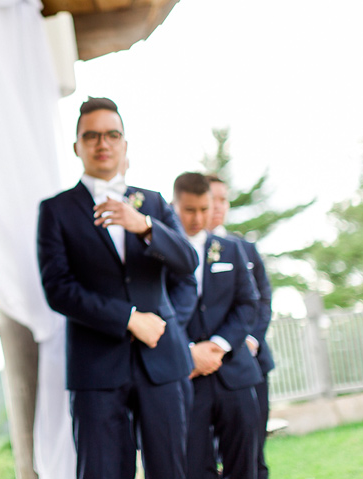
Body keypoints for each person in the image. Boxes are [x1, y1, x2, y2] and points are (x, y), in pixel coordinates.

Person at [37, 97, 198, 479]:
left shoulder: (153, 203)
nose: (102, 143)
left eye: (112, 134)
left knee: (171, 471)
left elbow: (188, 263)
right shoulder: (56, 210)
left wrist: (144, 226)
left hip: (163, 362)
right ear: (77, 146)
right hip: (96, 368)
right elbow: (58, 289)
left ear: (125, 144)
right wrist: (128, 318)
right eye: (91, 136)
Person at [172, 172, 262, 479]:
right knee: (194, 467)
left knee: (245, 466)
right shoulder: (159, 252)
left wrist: (218, 345)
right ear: (175, 206)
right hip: (186, 379)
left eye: (204, 209)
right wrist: (187, 352)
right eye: (189, 210)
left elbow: (248, 303)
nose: (198, 218)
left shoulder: (230, 249)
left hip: (234, 374)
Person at [207, 174, 275, 479]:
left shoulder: (245, 248)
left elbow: (262, 300)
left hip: (249, 364)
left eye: (224, 199)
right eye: (212, 199)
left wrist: (249, 339)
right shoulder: (181, 249)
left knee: (253, 456)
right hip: (203, 368)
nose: (218, 206)